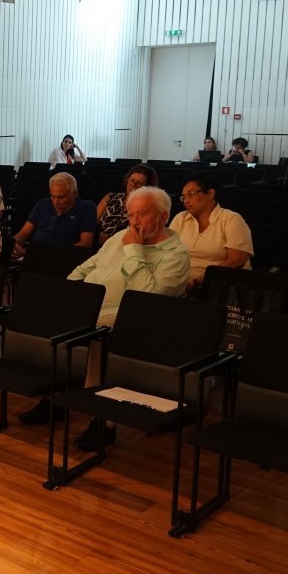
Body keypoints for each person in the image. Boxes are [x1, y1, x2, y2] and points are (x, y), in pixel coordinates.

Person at [64, 187, 191, 450]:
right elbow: (88, 266)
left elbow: (150, 299)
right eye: (131, 214)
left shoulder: (176, 255)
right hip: (92, 304)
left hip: (133, 319)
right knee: (47, 314)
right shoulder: (120, 236)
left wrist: (135, 251)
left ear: (163, 216)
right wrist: (70, 291)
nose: (135, 221)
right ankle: (53, 395)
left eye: (143, 214)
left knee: (99, 332)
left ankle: (102, 419)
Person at [169, 172, 254, 292]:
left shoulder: (231, 219)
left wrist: (196, 282)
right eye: (183, 197)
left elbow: (236, 261)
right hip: (181, 281)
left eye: (191, 194)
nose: (186, 201)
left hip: (220, 285)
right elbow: (169, 253)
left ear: (210, 193)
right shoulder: (180, 218)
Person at [11, 172, 97, 258]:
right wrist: (12, 244)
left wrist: (51, 253)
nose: (56, 202)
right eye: (53, 196)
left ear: (74, 194)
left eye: (61, 197)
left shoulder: (86, 207)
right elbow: (24, 233)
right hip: (36, 253)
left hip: (65, 256)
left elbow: (85, 243)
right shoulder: (43, 204)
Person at [96, 164, 158, 245]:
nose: (134, 184)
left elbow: (137, 238)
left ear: (147, 187)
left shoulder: (146, 210)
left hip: (122, 248)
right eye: (132, 180)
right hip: (96, 243)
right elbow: (91, 223)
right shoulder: (110, 197)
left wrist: (107, 239)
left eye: (139, 183)